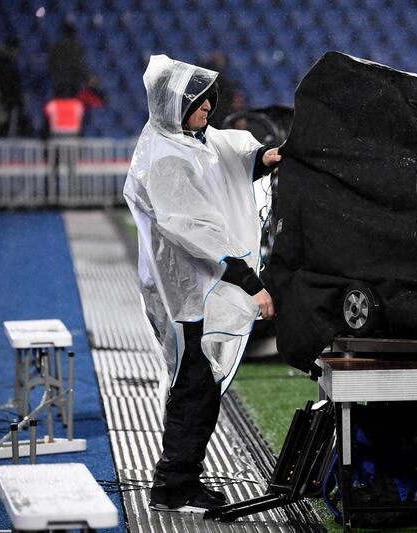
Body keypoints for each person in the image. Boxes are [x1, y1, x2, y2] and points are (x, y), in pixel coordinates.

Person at [123, 55, 281, 513]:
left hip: (197, 290)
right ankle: (173, 486)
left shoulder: (185, 140)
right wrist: (252, 284)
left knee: (199, 387)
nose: (210, 106)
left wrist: (263, 158)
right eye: (200, 100)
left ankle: (179, 480)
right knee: (194, 389)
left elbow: (224, 156)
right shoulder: (166, 156)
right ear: (177, 104)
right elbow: (197, 234)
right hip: (188, 295)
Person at [48, 21, 89, 97]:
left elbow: (50, 64)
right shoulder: (77, 46)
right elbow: (81, 65)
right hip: (73, 84)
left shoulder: (57, 46)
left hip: (60, 83)